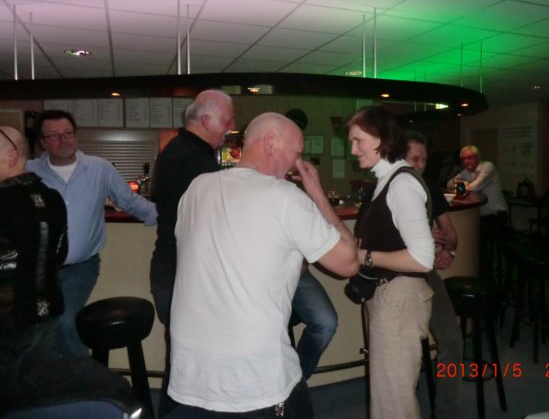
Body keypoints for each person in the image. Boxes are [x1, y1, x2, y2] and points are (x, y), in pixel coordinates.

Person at [167, 112, 359, 417]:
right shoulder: (285, 197)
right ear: (270, 143)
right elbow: (349, 263)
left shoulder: (196, 188)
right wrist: (317, 194)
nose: (297, 163)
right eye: (296, 153)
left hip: (190, 371)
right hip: (253, 378)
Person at [27, 110, 157, 358]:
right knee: (34, 328)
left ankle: (84, 377)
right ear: (42, 142)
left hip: (79, 267)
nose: (63, 140)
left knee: (65, 322)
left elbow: (130, 201)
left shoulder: (99, 168)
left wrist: (172, 217)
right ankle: (52, 379)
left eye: (68, 133)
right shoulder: (28, 171)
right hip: (37, 270)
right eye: (54, 136)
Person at [150, 89, 235, 416]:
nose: (231, 126)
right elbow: (211, 220)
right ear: (206, 120)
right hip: (182, 272)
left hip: (172, 267)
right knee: (185, 362)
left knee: (183, 358)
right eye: (227, 120)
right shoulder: (193, 159)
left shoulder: (182, 150)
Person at [346, 106, 435, 419]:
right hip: (390, 296)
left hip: (400, 299)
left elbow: (423, 258)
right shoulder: (385, 181)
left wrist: (366, 257)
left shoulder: (401, 185)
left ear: (382, 139)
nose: (353, 149)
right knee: (388, 398)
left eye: (358, 141)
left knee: (393, 402)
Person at [0, 127, 68, 406]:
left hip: (8, 321)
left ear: (12, 156)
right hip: (46, 310)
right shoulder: (53, 197)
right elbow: (60, 254)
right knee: (33, 398)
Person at [404, 130, 463, 419]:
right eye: (414, 159)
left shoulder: (428, 188)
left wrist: (448, 250)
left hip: (426, 274)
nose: (420, 165)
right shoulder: (387, 189)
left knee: (452, 339)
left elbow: (451, 233)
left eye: (424, 160)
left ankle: (446, 412)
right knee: (405, 348)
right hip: (395, 277)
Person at [447, 145, 508, 278]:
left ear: (478, 158)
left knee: (474, 240)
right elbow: (449, 184)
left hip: (496, 217)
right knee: (468, 234)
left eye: (470, 158)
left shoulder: (488, 167)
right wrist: (462, 183)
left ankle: (485, 277)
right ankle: (477, 272)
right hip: (481, 218)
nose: (466, 161)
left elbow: (476, 186)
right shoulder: (466, 172)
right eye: (464, 159)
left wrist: (463, 185)